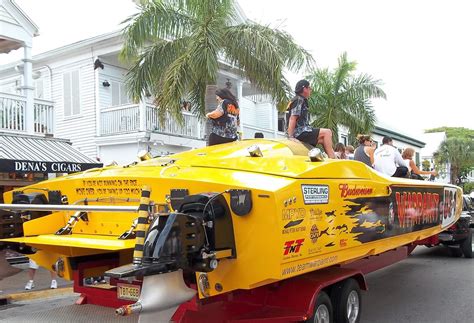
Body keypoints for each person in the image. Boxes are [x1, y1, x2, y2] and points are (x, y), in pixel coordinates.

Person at [286, 80, 336, 158]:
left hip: (300, 132)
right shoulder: (299, 99)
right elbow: (293, 118)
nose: (311, 90)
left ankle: (333, 157)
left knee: (323, 140)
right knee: (327, 132)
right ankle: (333, 160)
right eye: (309, 88)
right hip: (300, 132)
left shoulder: (296, 99)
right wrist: (290, 137)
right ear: (304, 88)